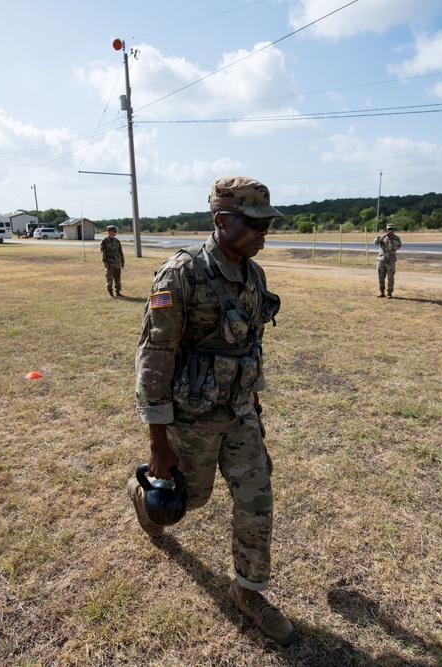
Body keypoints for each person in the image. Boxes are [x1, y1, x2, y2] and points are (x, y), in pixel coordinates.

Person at [130, 176, 293, 645]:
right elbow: (155, 356)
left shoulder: (253, 273)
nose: (264, 233)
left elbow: (250, 344)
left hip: (239, 412)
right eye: (255, 223)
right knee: (185, 502)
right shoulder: (181, 274)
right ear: (222, 221)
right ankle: (143, 494)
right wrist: (159, 444)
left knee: (256, 498)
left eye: (267, 224)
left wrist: (255, 404)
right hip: (193, 417)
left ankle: (249, 592)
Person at [373, 223, 402, 297]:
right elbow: (375, 242)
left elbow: (396, 248)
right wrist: (384, 236)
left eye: (391, 229)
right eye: (389, 229)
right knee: (381, 277)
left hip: (390, 261)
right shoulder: (383, 237)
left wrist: (391, 240)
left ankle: (389, 293)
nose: (390, 230)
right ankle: (382, 292)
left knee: (390, 278)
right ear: (387, 229)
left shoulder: (396, 238)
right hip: (381, 260)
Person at [99, 225, 125, 297]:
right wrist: (105, 262)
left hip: (117, 262)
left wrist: (122, 262)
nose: (115, 233)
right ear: (109, 232)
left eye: (115, 231)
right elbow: (103, 252)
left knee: (117, 277)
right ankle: (110, 291)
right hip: (109, 263)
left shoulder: (117, 241)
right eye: (114, 231)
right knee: (109, 277)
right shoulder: (104, 241)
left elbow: (120, 252)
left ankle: (118, 291)